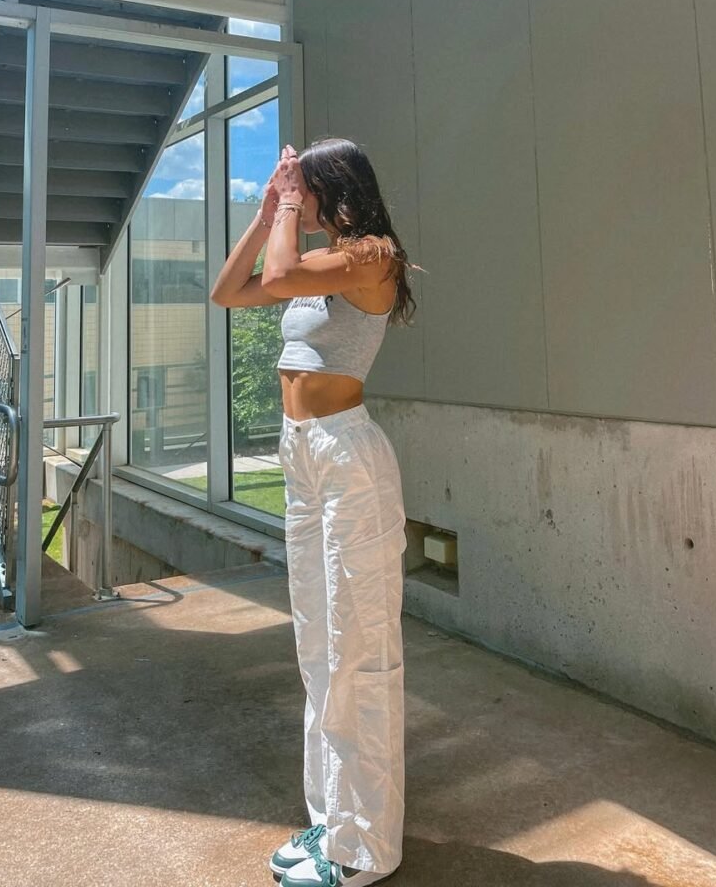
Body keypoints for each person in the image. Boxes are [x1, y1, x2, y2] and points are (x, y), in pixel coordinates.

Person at [210, 138, 420, 886]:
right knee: (318, 642)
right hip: (301, 457)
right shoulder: (317, 260)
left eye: (304, 188)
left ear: (336, 187)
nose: (296, 200)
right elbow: (229, 291)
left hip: (347, 457)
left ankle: (366, 852)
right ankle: (334, 821)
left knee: (359, 643)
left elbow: (276, 274)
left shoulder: (372, 255)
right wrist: (268, 208)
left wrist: (288, 211)